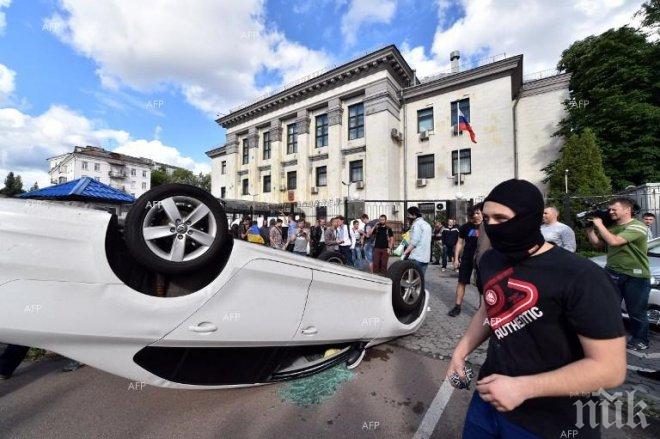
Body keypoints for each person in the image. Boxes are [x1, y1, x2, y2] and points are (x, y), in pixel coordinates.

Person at [449, 179, 626, 439]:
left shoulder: (581, 276)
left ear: (529, 219)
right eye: (487, 218)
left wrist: (523, 388)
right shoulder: (491, 261)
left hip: (551, 421)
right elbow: (489, 310)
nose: (492, 226)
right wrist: (460, 352)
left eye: (501, 218)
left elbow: (610, 368)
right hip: (489, 401)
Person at [587, 197, 651, 351]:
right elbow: (598, 244)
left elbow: (615, 241)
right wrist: (589, 229)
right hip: (613, 272)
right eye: (609, 209)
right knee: (608, 307)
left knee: (636, 311)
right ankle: (609, 338)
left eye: (614, 209)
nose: (610, 212)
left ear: (627, 210)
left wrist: (600, 224)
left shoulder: (638, 226)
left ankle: (641, 340)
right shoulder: (613, 227)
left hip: (636, 276)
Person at [448, 204, 483, 317]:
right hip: (467, 257)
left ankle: (482, 310)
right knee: (462, 282)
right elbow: (459, 243)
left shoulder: (487, 226)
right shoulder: (465, 227)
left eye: (478, 213)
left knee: (481, 285)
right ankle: (457, 307)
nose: (476, 216)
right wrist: (456, 258)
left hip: (482, 258)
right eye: (473, 214)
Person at [402, 206, 432, 274]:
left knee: (412, 280)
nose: (408, 217)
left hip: (416, 257)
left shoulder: (416, 224)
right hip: (425, 258)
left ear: (414, 215)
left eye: (409, 215)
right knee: (420, 281)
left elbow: (414, 242)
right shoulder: (427, 224)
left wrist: (404, 253)